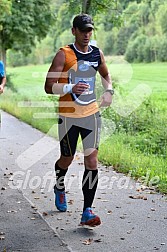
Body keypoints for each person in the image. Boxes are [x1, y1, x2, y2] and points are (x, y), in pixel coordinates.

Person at [45, 13, 114, 227]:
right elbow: (48, 87)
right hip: (68, 115)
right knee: (66, 158)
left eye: (90, 30)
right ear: (74, 30)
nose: (87, 34)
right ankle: (59, 185)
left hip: (91, 114)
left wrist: (109, 91)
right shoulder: (63, 54)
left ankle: (87, 211)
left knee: (91, 161)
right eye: (83, 30)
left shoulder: (96, 53)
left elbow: (105, 75)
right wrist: (69, 87)